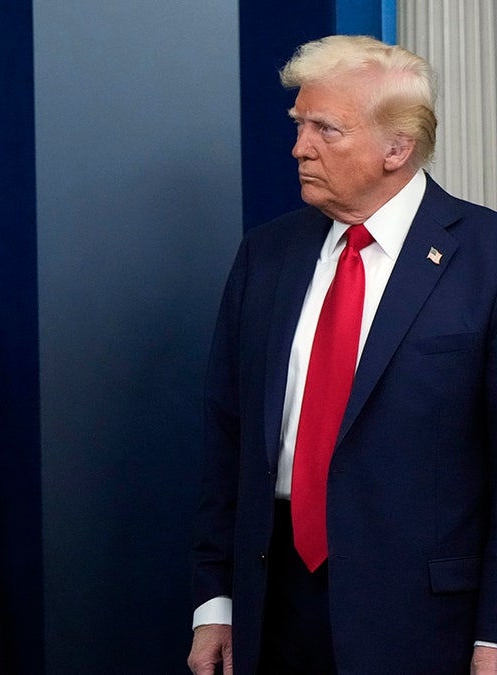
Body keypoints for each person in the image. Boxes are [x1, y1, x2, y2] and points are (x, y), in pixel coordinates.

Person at [189, 35, 497, 673]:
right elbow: (227, 437)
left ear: (396, 148)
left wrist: (494, 636)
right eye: (299, 124)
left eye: (326, 129)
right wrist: (215, 601)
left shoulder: (486, 257)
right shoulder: (267, 254)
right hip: (273, 608)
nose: (300, 147)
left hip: (424, 621)